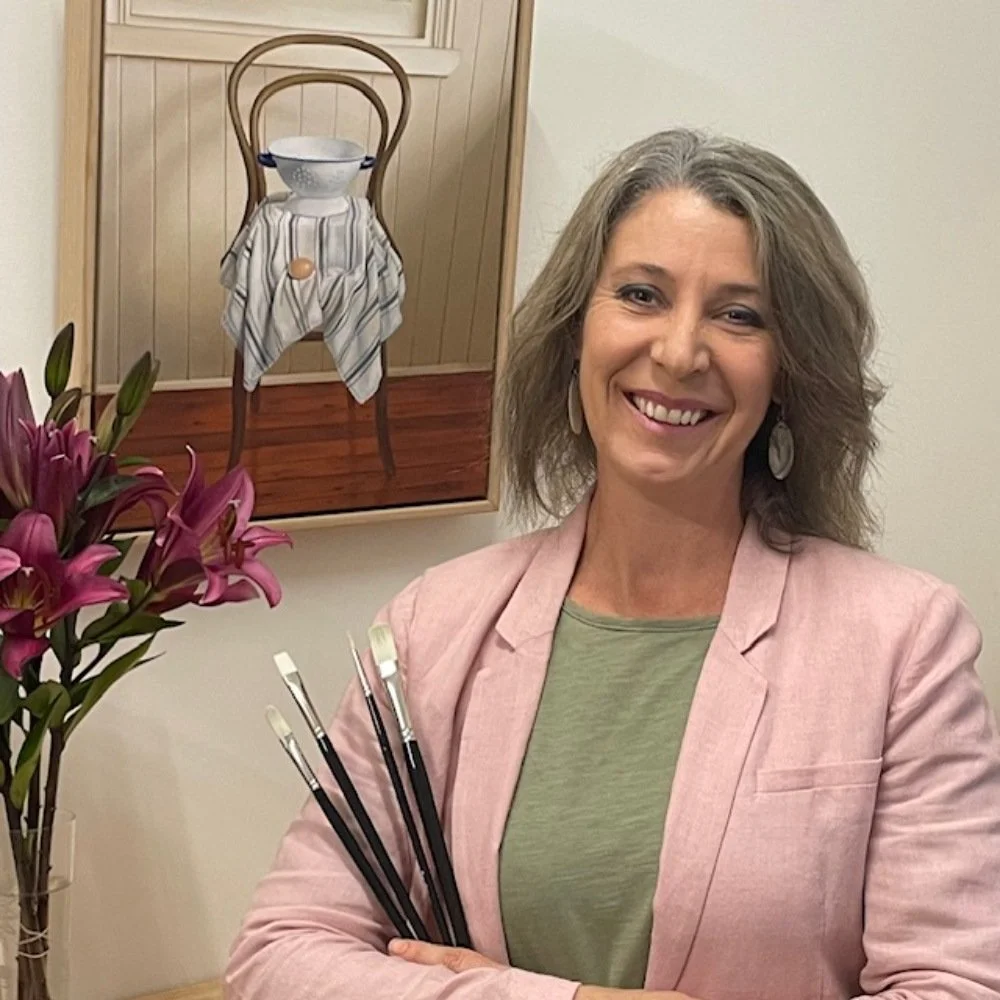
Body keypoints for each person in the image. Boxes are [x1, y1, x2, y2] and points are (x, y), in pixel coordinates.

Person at [224, 129, 1000, 1000]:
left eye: (740, 315)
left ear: (789, 370)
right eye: (641, 295)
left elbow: (957, 986)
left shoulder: (901, 641)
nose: (678, 352)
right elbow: (278, 958)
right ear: (575, 330)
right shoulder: (434, 625)